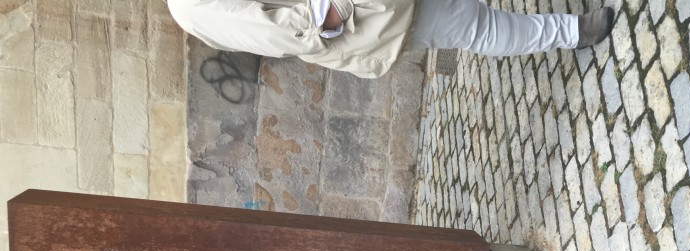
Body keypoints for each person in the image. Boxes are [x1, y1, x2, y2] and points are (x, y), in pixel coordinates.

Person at [164, 0, 615, 79]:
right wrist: (343, 6)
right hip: (372, 15)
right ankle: (573, 32)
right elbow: (286, 32)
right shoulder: (190, 7)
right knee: (474, 24)